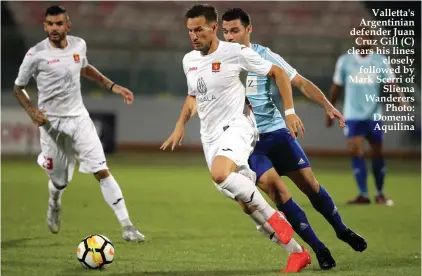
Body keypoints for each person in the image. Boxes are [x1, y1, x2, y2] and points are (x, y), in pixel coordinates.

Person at [161, 4, 311, 273]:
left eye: (199, 30)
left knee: (220, 174)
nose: (194, 36)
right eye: (190, 31)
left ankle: (277, 218)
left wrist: (289, 112)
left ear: (213, 27)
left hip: (238, 126)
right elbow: (194, 96)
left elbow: (277, 73)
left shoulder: (235, 52)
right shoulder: (190, 61)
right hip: (210, 137)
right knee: (246, 204)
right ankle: (297, 253)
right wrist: (179, 125)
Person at [220, 8, 368, 269]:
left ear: (248, 30)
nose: (230, 37)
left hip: (276, 133)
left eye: (235, 31)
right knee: (278, 192)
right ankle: (318, 248)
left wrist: (327, 106)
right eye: (226, 32)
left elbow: (298, 82)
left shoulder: (264, 56)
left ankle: (341, 229)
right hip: (250, 144)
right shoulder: (217, 63)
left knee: (311, 186)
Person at [13, 5, 144, 242]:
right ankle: (54, 200)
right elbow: (18, 88)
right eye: (50, 24)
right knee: (60, 181)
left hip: (80, 119)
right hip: (51, 125)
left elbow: (83, 67)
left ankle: (127, 226)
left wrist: (111, 85)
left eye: (59, 24)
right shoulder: (35, 54)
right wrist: (32, 110)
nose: (54, 28)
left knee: (101, 171)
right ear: (45, 26)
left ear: (67, 26)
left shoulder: (78, 45)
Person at [327, 28, 398, 206]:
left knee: (377, 153)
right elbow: (336, 86)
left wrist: (401, 101)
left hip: (374, 115)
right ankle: (363, 194)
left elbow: (391, 84)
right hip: (352, 115)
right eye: (361, 37)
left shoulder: (380, 61)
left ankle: (380, 193)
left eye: (368, 37)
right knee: (355, 151)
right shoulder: (345, 61)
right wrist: (329, 109)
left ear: (372, 40)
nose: (364, 40)